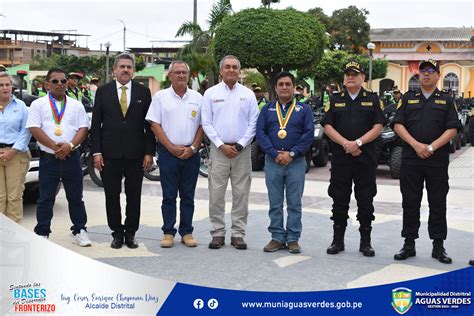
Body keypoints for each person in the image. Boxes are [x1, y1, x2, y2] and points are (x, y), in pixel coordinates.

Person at [392, 59, 459, 264]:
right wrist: (416, 145)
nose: (426, 74)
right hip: (412, 159)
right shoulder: (408, 98)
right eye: (423, 71)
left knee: (438, 203)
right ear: (419, 75)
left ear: (438, 75)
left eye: (431, 71)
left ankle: (438, 247)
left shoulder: (446, 100)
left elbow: (453, 129)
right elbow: (398, 125)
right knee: (410, 202)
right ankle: (409, 244)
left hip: (436, 161)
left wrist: (430, 147)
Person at [91, 53, 154, 249]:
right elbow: (95, 124)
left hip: (136, 155)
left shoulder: (143, 93)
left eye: (129, 67)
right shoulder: (103, 91)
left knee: (134, 196)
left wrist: (149, 152)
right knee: (112, 195)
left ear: (133, 71)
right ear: (114, 70)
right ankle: (117, 233)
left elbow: (149, 125)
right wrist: (96, 152)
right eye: (122, 67)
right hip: (109, 155)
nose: (126, 70)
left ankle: (131, 233)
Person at [321, 61, 385, 257]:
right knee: (339, 199)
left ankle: (365, 242)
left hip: (365, 159)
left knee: (365, 200)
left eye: (355, 74)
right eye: (347, 74)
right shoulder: (334, 99)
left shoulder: (373, 100)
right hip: (341, 159)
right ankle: (337, 241)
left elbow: (378, 126)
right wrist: (346, 144)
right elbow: (327, 126)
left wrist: (357, 143)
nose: (350, 77)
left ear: (363, 78)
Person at [26, 68, 91, 246]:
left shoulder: (76, 105)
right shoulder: (38, 104)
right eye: (55, 81)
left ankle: (80, 230)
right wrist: (54, 147)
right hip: (48, 158)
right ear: (47, 84)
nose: (60, 84)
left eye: (63, 81)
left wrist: (69, 146)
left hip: (72, 157)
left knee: (76, 197)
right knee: (46, 198)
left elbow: (83, 128)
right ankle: (42, 232)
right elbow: (34, 128)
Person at [201, 55, 259, 250]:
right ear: (221, 71)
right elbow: (206, 122)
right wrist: (220, 145)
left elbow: (253, 123)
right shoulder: (210, 93)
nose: (231, 70)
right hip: (219, 151)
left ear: (239, 71)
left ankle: (238, 234)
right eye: (228, 67)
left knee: (241, 194)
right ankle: (217, 233)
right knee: (216, 193)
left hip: (242, 151)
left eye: (235, 67)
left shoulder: (248, 94)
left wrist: (241, 144)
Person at [146, 60, 203, 248]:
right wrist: (170, 147)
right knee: (169, 195)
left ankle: (187, 232)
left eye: (184, 72)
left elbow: (203, 125)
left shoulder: (198, 97)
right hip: (168, 154)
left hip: (191, 154)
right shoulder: (161, 97)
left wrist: (193, 148)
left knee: (188, 196)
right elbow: (154, 124)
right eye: (176, 72)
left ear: (188, 75)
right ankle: (168, 232)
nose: (180, 75)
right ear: (169, 75)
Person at [256, 71, 314, 254]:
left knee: (294, 202)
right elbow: (260, 133)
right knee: (275, 202)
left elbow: (308, 134)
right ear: (275, 87)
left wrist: (292, 153)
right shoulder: (267, 109)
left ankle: (292, 238)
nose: (284, 87)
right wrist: (274, 153)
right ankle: (277, 237)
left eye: (287, 84)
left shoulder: (304, 109)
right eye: (280, 84)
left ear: (294, 87)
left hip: (295, 162)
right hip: (273, 162)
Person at [0, 72, 31, 223]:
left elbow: (26, 130)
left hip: (16, 154)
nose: (5, 88)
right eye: (1, 85)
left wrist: (13, 151)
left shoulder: (21, 106)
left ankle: (15, 237)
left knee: (14, 197)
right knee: (0, 198)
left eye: (7, 85)